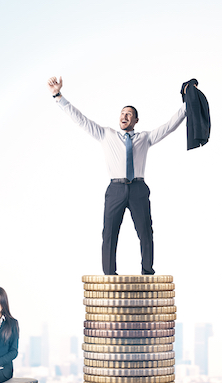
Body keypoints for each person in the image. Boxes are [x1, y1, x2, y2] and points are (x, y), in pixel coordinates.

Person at [47, 75, 187, 275]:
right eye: (122, 113)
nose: (125, 116)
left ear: (136, 120)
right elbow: (80, 119)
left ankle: (147, 272)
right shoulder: (106, 134)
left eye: (129, 114)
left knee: (146, 233)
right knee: (109, 234)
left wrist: (186, 106)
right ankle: (109, 275)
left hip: (138, 188)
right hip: (115, 189)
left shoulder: (144, 138)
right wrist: (58, 96)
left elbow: (169, 126)